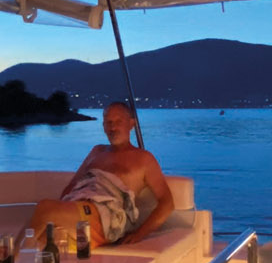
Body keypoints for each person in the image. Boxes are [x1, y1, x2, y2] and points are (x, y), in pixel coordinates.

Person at [25, 101, 175, 249]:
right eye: (108, 122)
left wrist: (139, 234)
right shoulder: (97, 151)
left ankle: (18, 256)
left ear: (131, 124)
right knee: (45, 235)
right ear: (103, 126)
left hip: (106, 216)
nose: (113, 127)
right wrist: (62, 210)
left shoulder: (144, 159)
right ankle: (28, 255)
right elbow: (72, 186)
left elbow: (167, 203)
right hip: (80, 209)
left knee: (45, 208)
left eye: (118, 122)